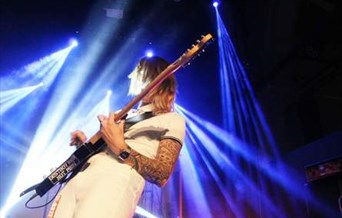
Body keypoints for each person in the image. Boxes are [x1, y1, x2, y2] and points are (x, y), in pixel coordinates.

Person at [48, 56, 186, 218]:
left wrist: (121, 148)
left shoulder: (172, 119)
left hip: (113, 183)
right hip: (82, 178)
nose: (130, 76)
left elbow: (161, 175)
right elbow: (107, 152)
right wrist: (85, 146)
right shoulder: (125, 114)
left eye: (138, 71)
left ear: (153, 78)